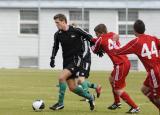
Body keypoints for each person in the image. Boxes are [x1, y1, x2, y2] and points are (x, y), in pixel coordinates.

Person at [49, 13, 98, 111]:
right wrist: (52, 58)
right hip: (66, 61)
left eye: (57, 22)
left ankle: (60, 103)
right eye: (55, 23)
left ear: (63, 21)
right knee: (72, 87)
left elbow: (90, 37)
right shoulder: (57, 34)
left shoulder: (76, 30)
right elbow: (55, 47)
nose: (56, 24)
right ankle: (90, 98)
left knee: (61, 77)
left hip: (77, 60)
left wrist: (96, 46)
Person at [91, 24, 140, 113]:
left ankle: (135, 107)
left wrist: (91, 42)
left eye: (97, 34)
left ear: (101, 33)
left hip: (120, 64)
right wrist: (95, 40)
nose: (96, 36)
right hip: (125, 61)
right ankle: (117, 103)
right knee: (111, 79)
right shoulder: (113, 34)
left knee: (118, 89)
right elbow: (113, 41)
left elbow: (95, 50)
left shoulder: (101, 39)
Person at [113, 19, 160, 110]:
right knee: (144, 90)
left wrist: (115, 41)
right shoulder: (153, 38)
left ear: (134, 30)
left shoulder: (136, 42)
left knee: (157, 98)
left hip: (155, 72)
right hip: (155, 70)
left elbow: (117, 52)